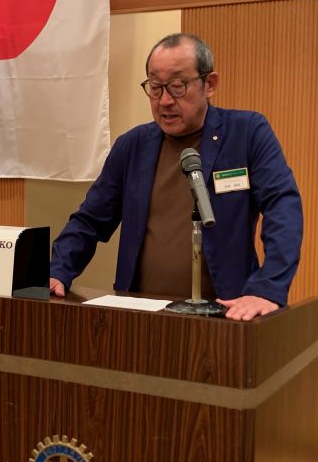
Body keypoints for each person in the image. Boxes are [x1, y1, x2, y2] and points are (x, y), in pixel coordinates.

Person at [49, 33, 302, 321]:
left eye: (178, 86)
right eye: (156, 87)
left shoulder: (246, 133)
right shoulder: (132, 146)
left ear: (210, 84)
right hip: (142, 316)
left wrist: (268, 288)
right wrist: (58, 270)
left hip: (227, 316)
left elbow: (283, 208)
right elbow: (90, 220)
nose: (165, 101)